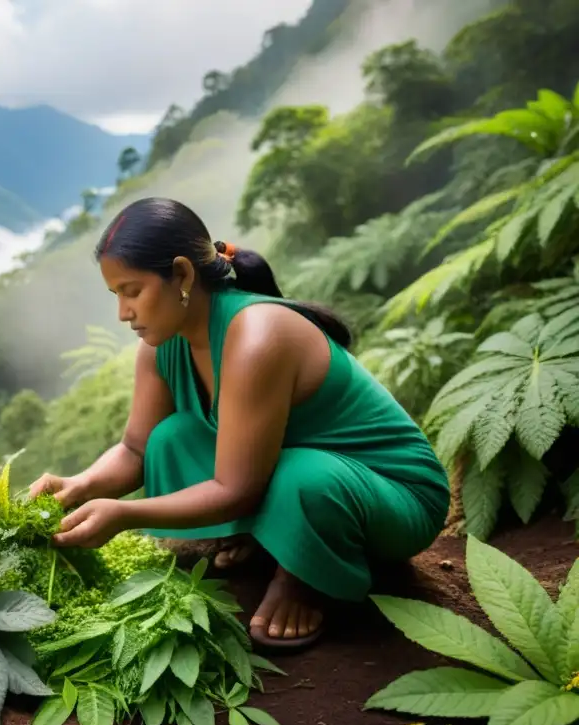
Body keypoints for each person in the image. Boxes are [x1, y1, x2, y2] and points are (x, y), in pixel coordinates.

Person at [27, 196, 450, 652]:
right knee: (170, 439)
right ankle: (265, 535)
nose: (123, 312)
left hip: (390, 494)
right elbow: (135, 449)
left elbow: (236, 488)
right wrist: (81, 485)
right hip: (279, 470)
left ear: (183, 275)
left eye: (133, 291)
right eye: (116, 295)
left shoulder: (257, 336)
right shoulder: (161, 343)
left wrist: (125, 514)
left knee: (301, 480)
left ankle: (303, 578)